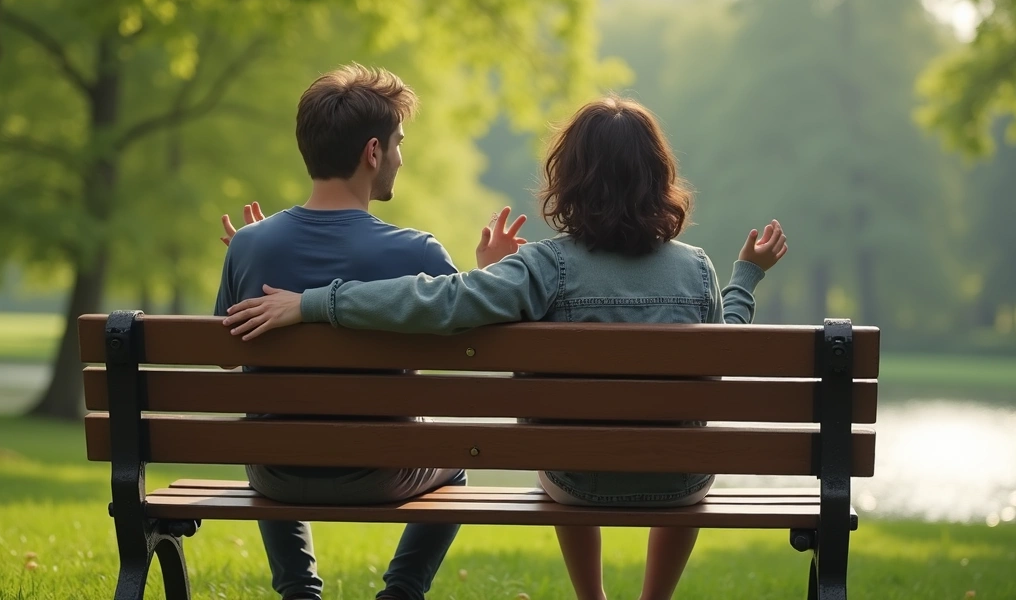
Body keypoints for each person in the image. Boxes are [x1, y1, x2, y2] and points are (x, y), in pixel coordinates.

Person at [220, 94, 788, 600]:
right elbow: (727, 348)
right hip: (680, 482)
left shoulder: (546, 265)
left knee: (574, 441)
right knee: (676, 450)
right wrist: (745, 277)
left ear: (569, 177)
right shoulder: (696, 268)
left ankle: (592, 597)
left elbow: (444, 303)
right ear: (658, 177)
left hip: (574, 481)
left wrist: (317, 301)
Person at [215, 63, 525, 600]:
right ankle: (402, 592)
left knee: (273, 430)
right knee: (454, 466)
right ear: (373, 152)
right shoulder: (417, 252)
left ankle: (298, 591)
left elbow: (224, 357)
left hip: (274, 472)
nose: (402, 157)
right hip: (380, 470)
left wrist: (255, 250)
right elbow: (472, 335)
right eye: (400, 143)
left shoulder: (249, 245)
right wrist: (491, 273)